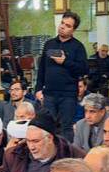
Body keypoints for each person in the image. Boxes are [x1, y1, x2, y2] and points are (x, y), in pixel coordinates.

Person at [35, 11, 88, 141]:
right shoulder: (49, 44)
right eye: (62, 23)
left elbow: (83, 69)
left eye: (68, 25)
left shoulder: (78, 47)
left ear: (73, 30)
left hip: (68, 95)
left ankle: (65, 152)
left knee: (66, 127)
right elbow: (42, 68)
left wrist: (65, 62)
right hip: (49, 94)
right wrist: (38, 89)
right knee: (48, 126)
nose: (63, 27)